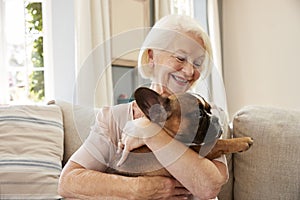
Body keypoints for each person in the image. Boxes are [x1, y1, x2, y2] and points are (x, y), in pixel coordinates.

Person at [58, 14, 229, 200]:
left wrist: (148, 132)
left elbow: (208, 188)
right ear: (151, 56)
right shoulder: (114, 119)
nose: (189, 71)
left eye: (197, 63)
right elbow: (68, 181)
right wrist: (139, 188)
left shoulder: (207, 115)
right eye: (180, 58)